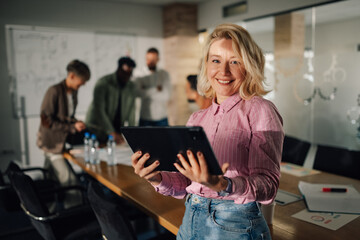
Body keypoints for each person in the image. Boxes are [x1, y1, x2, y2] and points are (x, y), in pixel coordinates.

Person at [131, 23, 284, 240]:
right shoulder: (197, 118)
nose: (223, 71)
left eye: (234, 61)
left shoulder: (261, 110)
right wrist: (156, 177)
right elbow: (187, 182)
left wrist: (223, 185)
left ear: (249, 65)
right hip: (191, 219)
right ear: (206, 65)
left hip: (235, 224)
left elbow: (269, 186)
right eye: (216, 61)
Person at [37, 59, 90, 208]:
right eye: (82, 80)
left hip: (61, 143)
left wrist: (75, 122)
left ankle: (48, 214)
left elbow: (65, 117)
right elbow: (46, 122)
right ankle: (74, 217)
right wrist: (72, 127)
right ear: (72, 76)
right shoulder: (54, 91)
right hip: (51, 144)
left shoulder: (73, 93)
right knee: (70, 183)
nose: (84, 84)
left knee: (50, 182)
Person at [85, 57, 137, 144]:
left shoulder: (131, 87)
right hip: (96, 129)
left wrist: (132, 135)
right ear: (119, 70)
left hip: (115, 131)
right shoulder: (103, 83)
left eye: (129, 74)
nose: (127, 77)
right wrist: (111, 132)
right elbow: (99, 110)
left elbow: (132, 112)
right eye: (124, 73)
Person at [134, 48, 171, 126]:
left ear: (158, 59)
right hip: (145, 118)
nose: (150, 62)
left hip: (162, 117)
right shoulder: (139, 74)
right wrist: (156, 89)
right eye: (148, 59)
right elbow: (137, 93)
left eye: (153, 59)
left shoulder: (164, 74)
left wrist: (146, 90)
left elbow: (166, 96)